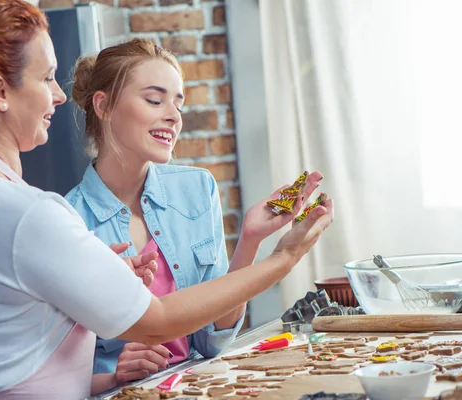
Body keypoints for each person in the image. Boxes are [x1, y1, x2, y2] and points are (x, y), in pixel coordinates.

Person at [0, 0, 333, 398]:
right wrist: (285, 258)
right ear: (0, 92)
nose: (60, 95)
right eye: (46, 77)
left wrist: (98, 277)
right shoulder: (35, 215)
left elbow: (1, 327)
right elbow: (156, 321)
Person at [65, 38, 324, 380]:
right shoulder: (68, 221)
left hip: (194, 385)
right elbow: (51, 377)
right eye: (155, 100)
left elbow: (211, 341)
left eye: (178, 105)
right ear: (104, 106)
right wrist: (111, 376)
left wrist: (249, 240)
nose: (173, 116)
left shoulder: (197, 189)